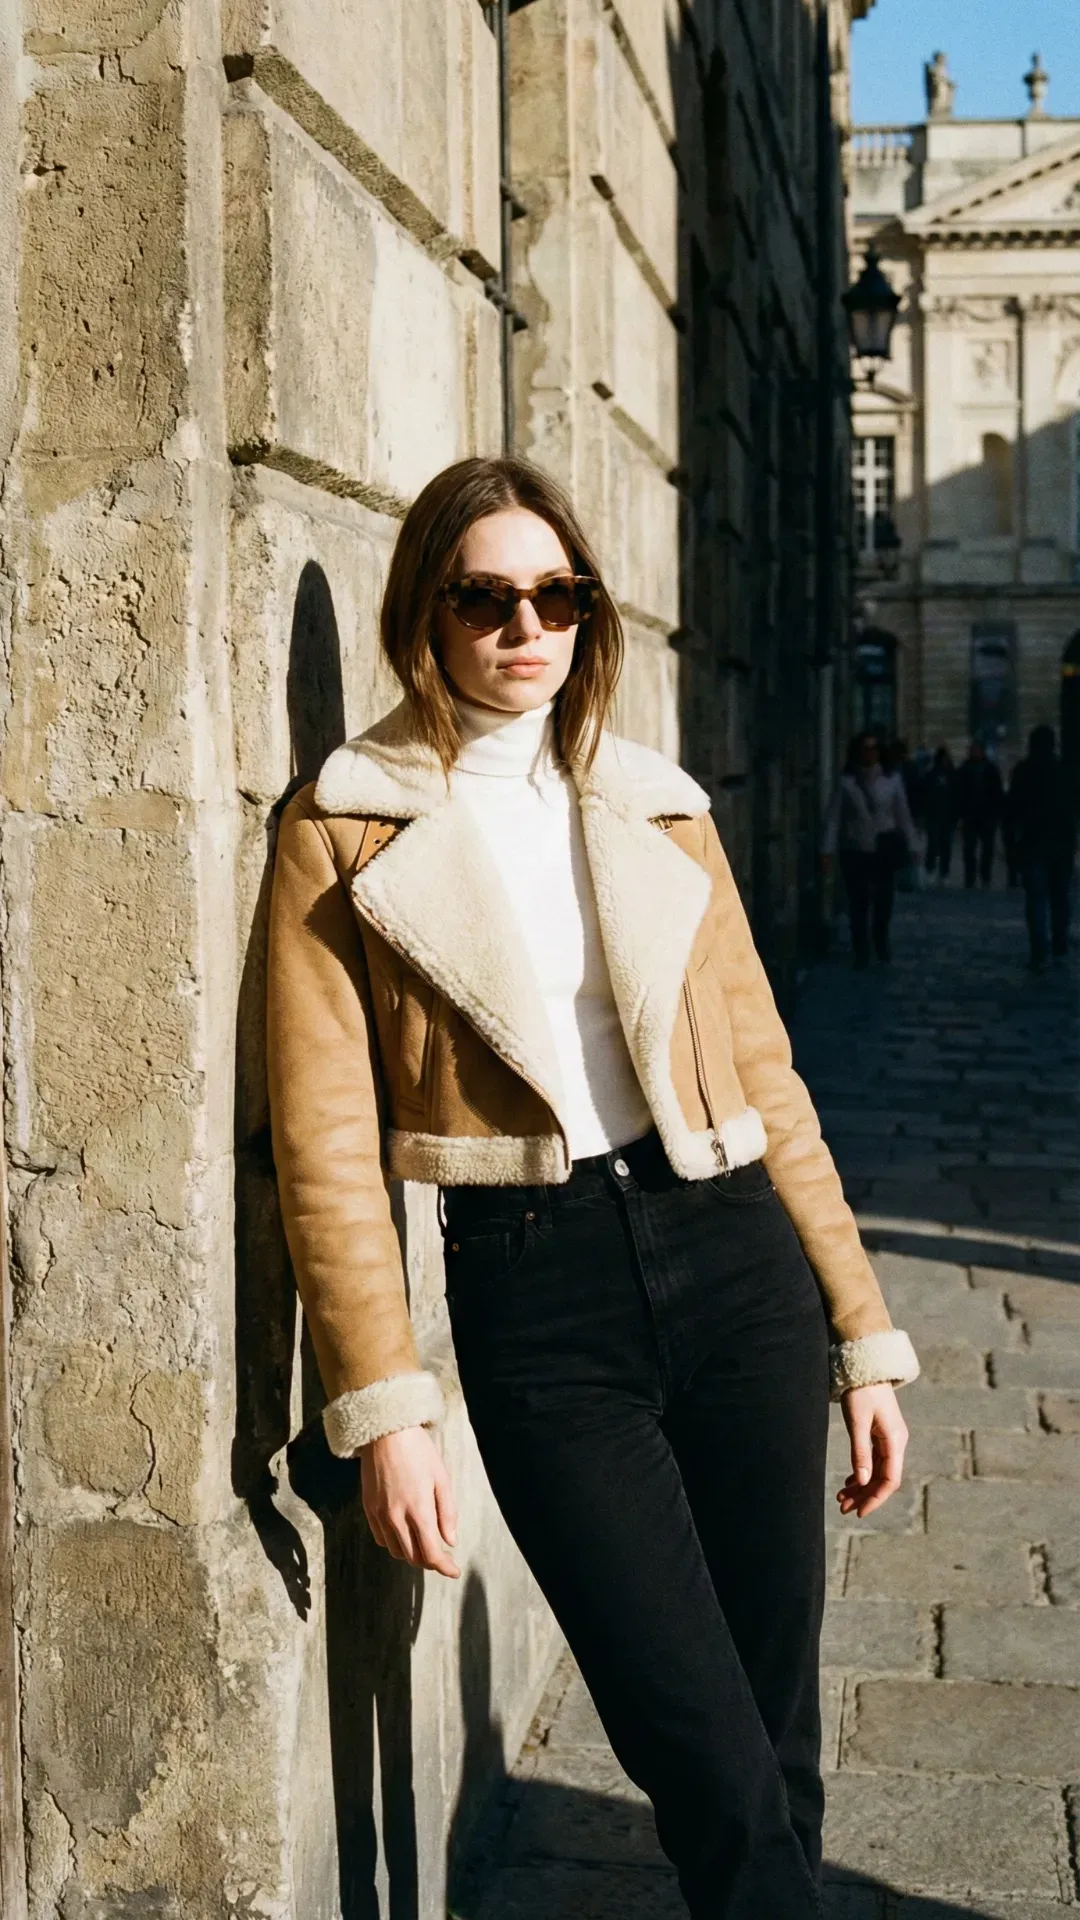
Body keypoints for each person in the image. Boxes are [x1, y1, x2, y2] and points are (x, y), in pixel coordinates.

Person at [266, 455, 919, 1920]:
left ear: (588, 617)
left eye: (558, 597)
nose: (526, 628)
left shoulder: (657, 806)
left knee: (775, 1743)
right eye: (485, 598)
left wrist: (862, 1333)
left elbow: (768, 1082)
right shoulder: (344, 823)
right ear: (425, 614)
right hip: (537, 1291)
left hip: (735, 1261)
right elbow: (324, 1143)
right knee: (701, 1750)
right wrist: (383, 1405)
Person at [822, 732, 918, 966]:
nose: (870, 753)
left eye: (874, 748)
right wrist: (827, 849)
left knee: (883, 900)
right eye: (865, 749)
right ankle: (861, 948)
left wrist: (913, 844)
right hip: (855, 849)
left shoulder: (892, 780)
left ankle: (880, 940)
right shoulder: (846, 783)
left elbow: (903, 815)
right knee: (858, 901)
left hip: (884, 848)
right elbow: (834, 818)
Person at [1007, 724, 1078, 972]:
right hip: (1061, 845)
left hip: (1033, 843)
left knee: (1037, 900)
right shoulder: (1064, 771)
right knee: (1060, 898)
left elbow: (1012, 810)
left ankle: (1039, 952)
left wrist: (1011, 844)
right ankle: (1059, 947)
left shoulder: (1023, 771)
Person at [954, 738, 1003, 888]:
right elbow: (958, 793)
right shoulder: (966, 769)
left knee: (986, 849)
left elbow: (997, 792)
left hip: (986, 814)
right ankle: (971, 877)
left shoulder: (989, 769)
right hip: (972, 815)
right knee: (970, 848)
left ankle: (984, 876)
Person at [923, 745, 957, 885]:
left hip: (946, 816)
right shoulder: (934, 775)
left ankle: (942, 872)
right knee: (935, 845)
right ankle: (934, 871)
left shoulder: (951, 775)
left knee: (944, 846)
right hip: (936, 816)